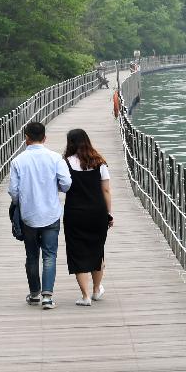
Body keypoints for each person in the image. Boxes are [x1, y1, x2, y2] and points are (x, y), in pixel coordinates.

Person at [8, 121, 71, 309]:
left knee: (32, 255)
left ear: (26, 138)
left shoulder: (18, 161)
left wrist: (22, 203)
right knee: (50, 255)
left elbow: (14, 191)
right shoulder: (55, 158)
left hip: (29, 216)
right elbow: (67, 183)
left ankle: (34, 293)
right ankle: (47, 297)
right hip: (51, 213)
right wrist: (55, 188)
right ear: (45, 138)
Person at [62, 128, 113, 306]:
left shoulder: (65, 163)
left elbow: (62, 186)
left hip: (74, 213)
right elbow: (106, 190)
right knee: (97, 250)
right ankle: (96, 290)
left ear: (70, 143)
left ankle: (85, 297)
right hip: (97, 212)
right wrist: (109, 213)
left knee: (77, 252)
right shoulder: (100, 162)